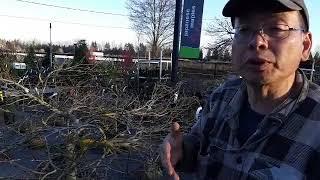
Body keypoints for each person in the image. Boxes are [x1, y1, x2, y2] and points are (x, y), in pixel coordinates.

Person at [160, 0, 320, 179]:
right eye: (244, 29)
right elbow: (197, 147)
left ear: (305, 46)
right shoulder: (221, 98)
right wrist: (180, 150)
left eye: (276, 28)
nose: (257, 41)